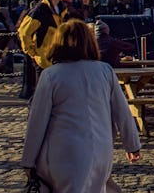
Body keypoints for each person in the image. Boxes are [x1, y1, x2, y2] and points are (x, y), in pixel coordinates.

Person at [20, 20, 142, 192]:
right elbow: (122, 113)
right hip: (101, 149)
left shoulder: (51, 75)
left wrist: (28, 160)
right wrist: (132, 145)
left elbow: (37, 121)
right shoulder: (105, 71)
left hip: (63, 150)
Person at [18, 0, 66, 70]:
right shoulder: (39, 10)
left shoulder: (62, 7)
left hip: (59, 58)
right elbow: (24, 32)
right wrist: (33, 52)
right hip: (44, 61)